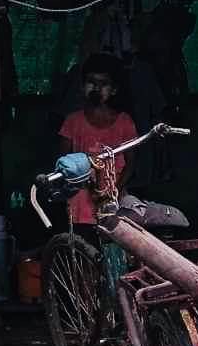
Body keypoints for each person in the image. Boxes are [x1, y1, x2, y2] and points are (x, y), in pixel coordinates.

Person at [58, 53, 138, 226]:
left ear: (114, 90)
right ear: (82, 87)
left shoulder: (125, 122)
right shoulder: (72, 122)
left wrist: (114, 191)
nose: (96, 88)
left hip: (114, 199)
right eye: (91, 82)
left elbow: (131, 164)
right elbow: (64, 164)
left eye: (103, 84)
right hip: (80, 203)